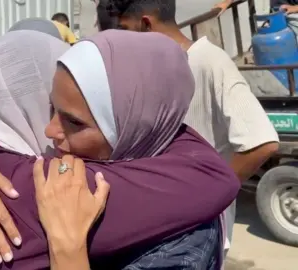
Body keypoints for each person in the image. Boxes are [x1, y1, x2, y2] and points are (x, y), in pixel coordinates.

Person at [0, 30, 239, 269]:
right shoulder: (52, 185)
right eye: (50, 108)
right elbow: (215, 177)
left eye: (72, 120)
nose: (49, 130)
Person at [104, 0, 279, 256]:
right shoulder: (153, 70)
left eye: (127, 30)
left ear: (146, 25)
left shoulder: (209, 61)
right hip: (158, 229)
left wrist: (205, 197)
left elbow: (261, 143)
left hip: (197, 237)